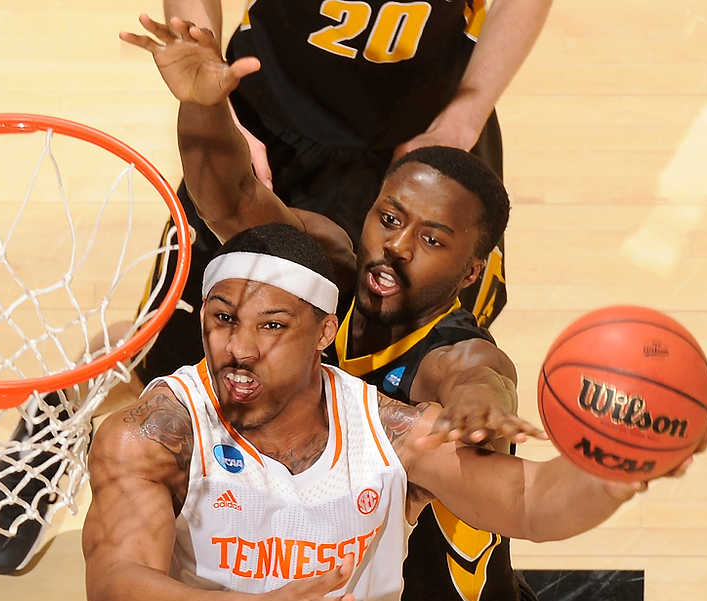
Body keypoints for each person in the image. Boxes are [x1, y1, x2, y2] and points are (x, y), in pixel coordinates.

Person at [76, 223, 696, 601]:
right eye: (222, 320)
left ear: (322, 333)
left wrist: (619, 468)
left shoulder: (389, 432)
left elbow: (532, 503)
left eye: (271, 326)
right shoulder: (158, 431)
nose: (239, 348)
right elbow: (116, 600)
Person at [126, 19, 551, 601]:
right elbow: (236, 199)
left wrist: (480, 415)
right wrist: (202, 104)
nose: (397, 247)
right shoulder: (335, 272)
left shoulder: (454, 348)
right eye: (389, 219)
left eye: (431, 239)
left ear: (471, 273)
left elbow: (479, 378)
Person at [134, 0, 553, 390]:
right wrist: (213, 107)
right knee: (179, 369)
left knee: (426, 383)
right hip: (269, 120)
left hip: (428, 151)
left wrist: (464, 118)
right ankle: (70, 418)